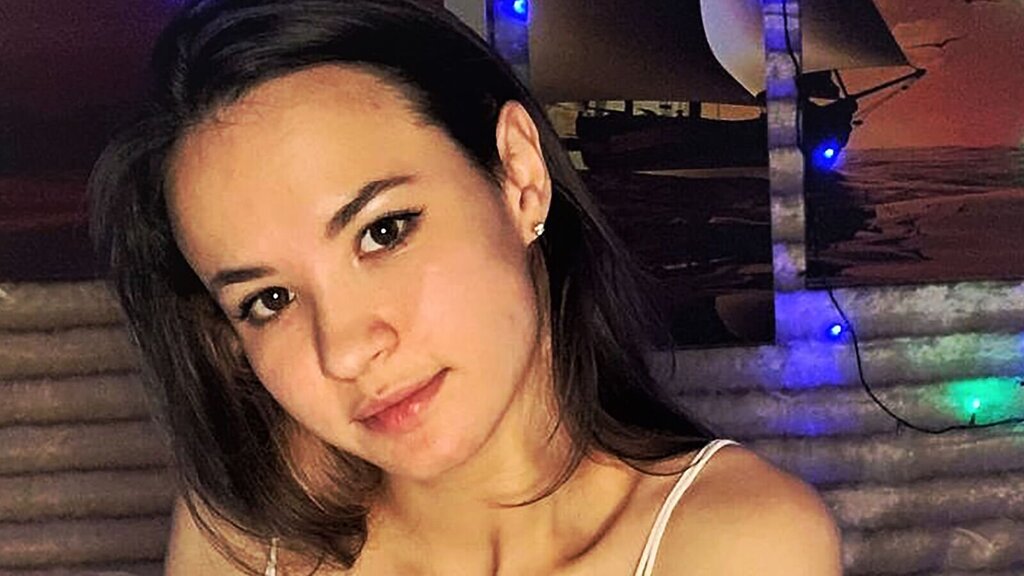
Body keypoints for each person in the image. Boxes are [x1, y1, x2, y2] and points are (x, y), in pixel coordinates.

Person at [89, 1, 841, 574]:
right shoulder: (247, 533)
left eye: (383, 231)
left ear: (519, 176)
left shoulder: (735, 545)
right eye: (269, 300)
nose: (345, 350)